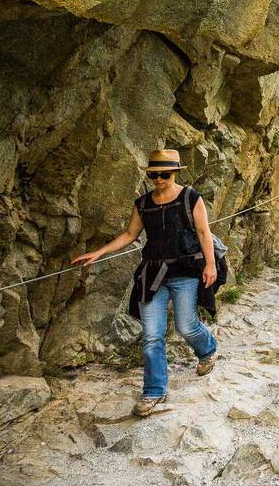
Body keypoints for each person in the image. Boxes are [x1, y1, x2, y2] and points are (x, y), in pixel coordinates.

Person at [72, 149, 222, 417]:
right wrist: (99, 252)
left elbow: (203, 232)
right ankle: (154, 390)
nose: (159, 179)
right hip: (153, 274)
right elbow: (130, 234)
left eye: (165, 174)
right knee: (152, 335)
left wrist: (210, 264)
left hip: (185, 271)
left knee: (186, 326)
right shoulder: (142, 204)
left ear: (175, 173)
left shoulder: (191, 197)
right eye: (154, 175)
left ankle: (207, 349)